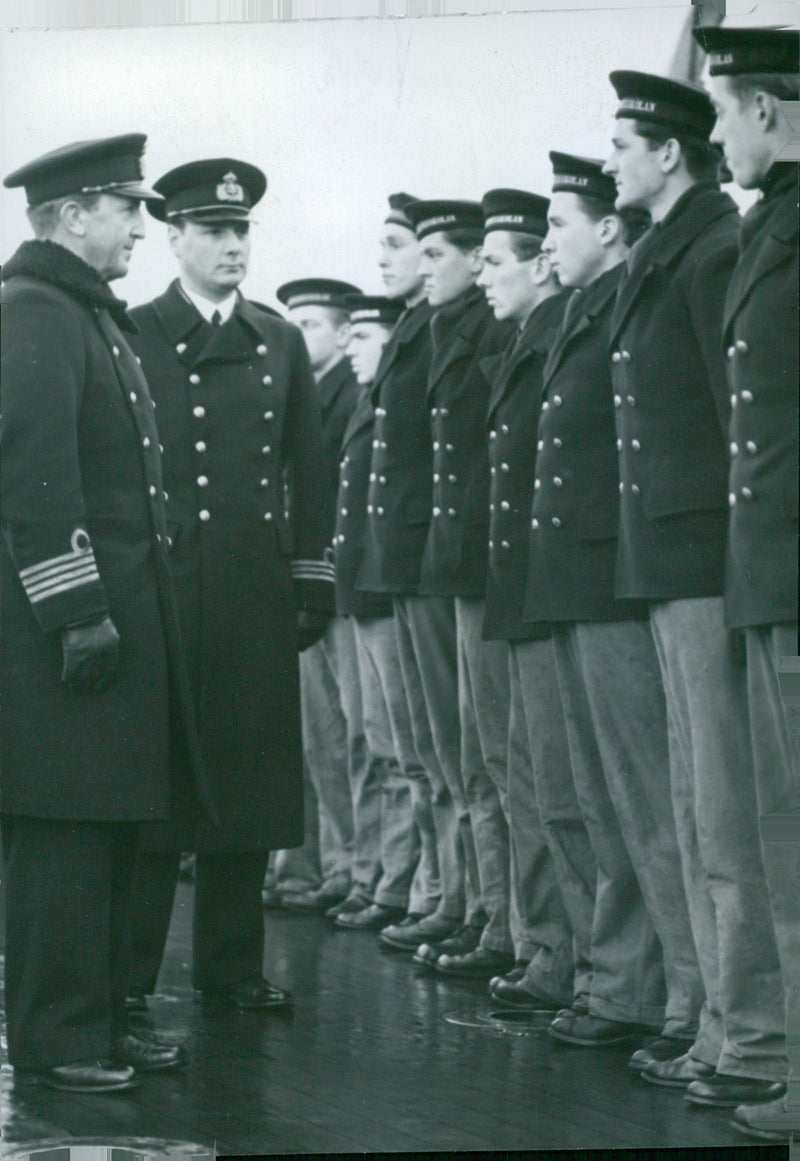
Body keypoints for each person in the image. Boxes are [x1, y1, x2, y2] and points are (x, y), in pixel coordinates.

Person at [1, 134, 211, 1092]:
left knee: (117, 825)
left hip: (119, 625)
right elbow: (36, 479)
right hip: (70, 634)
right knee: (63, 835)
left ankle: (106, 1013)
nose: (142, 225)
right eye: (127, 208)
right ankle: (57, 1034)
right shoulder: (36, 313)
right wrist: (76, 611)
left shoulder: (85, 315)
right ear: (73, 214)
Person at [602, 71, 788, 1109]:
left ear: (665, 152)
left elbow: (741, 424)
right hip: (671, 564)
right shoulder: (678, 245)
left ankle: (752, 1038)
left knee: (725, 818)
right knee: (694, 809)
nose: (609, 163)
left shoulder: (712, 242)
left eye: (621, 144)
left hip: (712, 565)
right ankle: (723, 1025)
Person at [125, 158, 333, 1014]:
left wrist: (311, 576)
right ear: (173, 239)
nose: (231, 246)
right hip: (168, 589)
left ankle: (231, 967)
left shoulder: (277, 338)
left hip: (252, 592)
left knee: (248, 782)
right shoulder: (135, 329)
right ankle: (129, 975)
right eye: (213, 231)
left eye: (241, 231)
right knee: (157, 784)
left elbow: (309, 467)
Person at [525, 150, 708, 1070]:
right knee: (601, 801)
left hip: (617, 577)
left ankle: (680, 997)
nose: (546, 240)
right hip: (578, 579)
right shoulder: (583, 311)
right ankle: (631, 981)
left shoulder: (630, 299)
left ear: (608, 228)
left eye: (558, 223)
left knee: (646, 799)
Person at [693, 25, 799, 1142]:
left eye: (720, 112)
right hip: (768, 576)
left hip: (791, 572)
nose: (714, 132)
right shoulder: (771, 223)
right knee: (781, 832)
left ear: (764, 110)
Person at [401, 198, 515, 977]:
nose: (421, 264)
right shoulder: (449, 328)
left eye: (437, 251)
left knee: (489, 758)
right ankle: (483, 909)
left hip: (481, 561)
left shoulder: (490, 329)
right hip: (451, 562)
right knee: (461, 753)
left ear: (478, 260)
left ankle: (499, 917)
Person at [475, 188, 577, 1010]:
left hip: (546, 588)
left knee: (555, 789)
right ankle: (549, 947)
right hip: (518, 588)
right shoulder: (525, 341)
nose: (483, 274)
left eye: (494, 259)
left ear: (542, 264)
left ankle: (565, 955)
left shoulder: (553, 339)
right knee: (527, 780)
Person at [355, 194, 453, 954]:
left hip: (428, 568)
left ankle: (448, 895)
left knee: (446, 755)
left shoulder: (433, 331)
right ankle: (446, 895)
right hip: (401, 568)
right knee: (423, 753)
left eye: (398, 244)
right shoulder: (416, 333)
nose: (385, 258)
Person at [273, 277, 367, 916]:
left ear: (341, 331)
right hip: (308, 583)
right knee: (320, 738)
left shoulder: (346, 393)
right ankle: (329, 868)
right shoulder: (303, 392)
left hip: (333, 580)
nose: (297, 335)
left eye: (310, 323)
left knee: (346, 735)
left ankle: (350, 868)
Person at [331, 292, 422, 930]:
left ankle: (396, 882)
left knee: (397, 747)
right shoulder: (366, 400)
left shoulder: (383, 398)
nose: (349, 347)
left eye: (363, 336)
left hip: (382, 590)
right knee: (370, 739)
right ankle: (378, 877)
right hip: (359, 589)